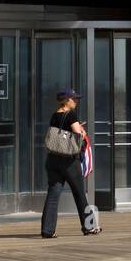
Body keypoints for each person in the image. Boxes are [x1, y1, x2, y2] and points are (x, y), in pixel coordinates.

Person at [40, 88, 101, 238]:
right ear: (67, 100)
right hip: (69, 161)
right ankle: (89, 227)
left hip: (52, 159)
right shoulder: (71, 114)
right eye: (74, 99)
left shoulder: (55, 115)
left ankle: (47, 230)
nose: (76, 101)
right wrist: (82, 130)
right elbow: (78, 134)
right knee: (80, 194)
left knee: (53, 194)